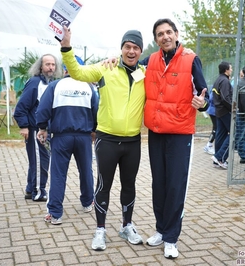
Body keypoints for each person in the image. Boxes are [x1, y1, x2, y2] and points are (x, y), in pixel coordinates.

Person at [60, 27, 146, 251]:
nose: (131, 51)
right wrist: (67, 47)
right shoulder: (106, 68)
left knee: (129, 186)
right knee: (103, 185)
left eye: (136, 47)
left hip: (132, 141)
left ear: (140, 51)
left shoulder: (145, 74)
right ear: (121, 48)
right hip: (107, 140)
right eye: (127, 46)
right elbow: (78, 72)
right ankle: (100, 230)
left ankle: (126, 226)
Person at [141, 18, 208, 259]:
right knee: (158, 184)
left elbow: (203, 93)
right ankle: (160, 229)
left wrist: (202, 103)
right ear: (156, 39)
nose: (165, 36)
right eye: (160, 34)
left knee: (175, 186)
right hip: (156, 133)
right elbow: (128, 67)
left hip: (180, 134)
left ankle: (171, 237)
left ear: (177, 34)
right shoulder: (149, 61)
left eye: (169, 32)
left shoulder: (191, 59)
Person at [36, 57, 99, 225]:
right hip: (84, 137)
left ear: (64, 69)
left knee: (58, 174)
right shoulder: (89, 87)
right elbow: (97, 110)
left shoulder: (54, 86)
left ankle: (55, 213)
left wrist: (42, 128)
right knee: (86, 170)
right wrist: (93, 130)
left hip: (61, 137)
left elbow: (42, 110)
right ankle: (88, 202)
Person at [14, 54, 63, 201]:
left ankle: (30, 189)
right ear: (40, 66)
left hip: (46, 130)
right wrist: (24, 126)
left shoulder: (52, 83)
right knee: (40, 161)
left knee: (39, 160)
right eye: (47, 64)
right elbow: (21, 107)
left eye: (53, 65)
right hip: (35, 129)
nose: (51, 67)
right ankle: (38, 192)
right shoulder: (35, 83)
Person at [211, 61, 233, 169]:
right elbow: (225, 98)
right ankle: (220, 157)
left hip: (219, 111)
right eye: (231, 68)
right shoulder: (224, 81)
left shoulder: (218, 79)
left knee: (221, 134)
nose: (232, 70)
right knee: (234, 133)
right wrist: (233, 108)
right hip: (225, 111)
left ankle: (217, 160)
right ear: (226, 70)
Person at [203, 89, 216, 155]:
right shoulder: (217, 85)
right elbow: (211, 98)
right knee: (215, 129)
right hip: (213, 111)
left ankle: (209, 145)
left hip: (214, 110)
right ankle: (209, 145)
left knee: (215, 129)